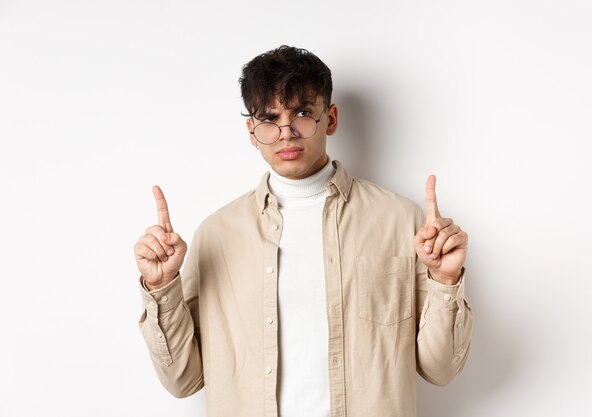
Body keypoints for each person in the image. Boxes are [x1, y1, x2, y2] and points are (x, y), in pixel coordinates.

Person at [134, 45, 473, 417]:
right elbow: (182, 380)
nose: (286, 133)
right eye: (269, 118)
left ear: (330, 119)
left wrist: (444, 278)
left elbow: (440, 371)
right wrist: (162, 288)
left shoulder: (400, 221)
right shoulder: (217, 235)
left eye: (302, 114)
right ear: (252, 131)